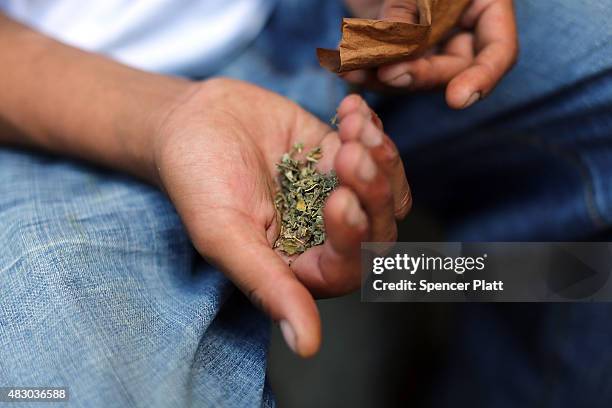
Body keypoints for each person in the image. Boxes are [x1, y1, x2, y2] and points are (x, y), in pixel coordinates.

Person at [0, 0, 609, 406]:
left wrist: (390, 12)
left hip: (300, 14)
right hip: (61, 92)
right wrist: (164, 119)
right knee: (62, 379)